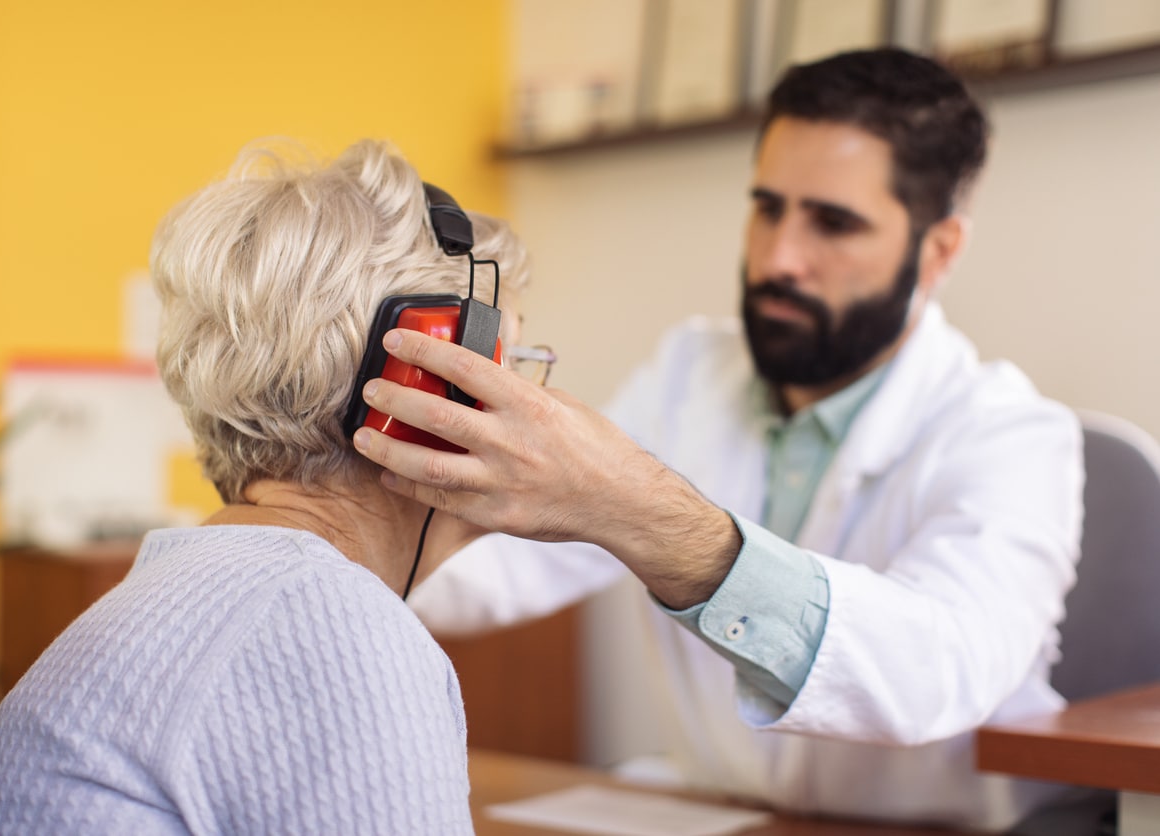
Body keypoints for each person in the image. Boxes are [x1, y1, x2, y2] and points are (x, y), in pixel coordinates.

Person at [351, 49, 1085, 832]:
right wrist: (295, 530)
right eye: (768, 208)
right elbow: (510, 566)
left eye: (832, 223)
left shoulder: (1013, 435)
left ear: (938, 251)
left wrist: (650, 518)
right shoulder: (691, 372)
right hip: (730, 817)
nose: (778, 258)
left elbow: (938, 671)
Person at [0, 139, 532, 834]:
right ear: (425, 389)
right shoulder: (329, 624)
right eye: (517, 365)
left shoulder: (205, 587)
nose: (536, 407)